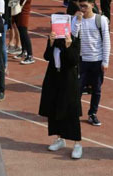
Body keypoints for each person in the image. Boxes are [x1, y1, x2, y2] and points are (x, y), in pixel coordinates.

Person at [39, 27, 82, 159]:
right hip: (53, 78)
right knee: (54, 109)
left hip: (68, 80)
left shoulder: (74, 40)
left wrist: (68, 46)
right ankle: (59, 139)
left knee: (71, 111)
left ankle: (77, 144)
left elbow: (74, 61)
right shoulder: (54, 39)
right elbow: (47, 56)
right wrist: (51, 43)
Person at [72, 0, 111, 128]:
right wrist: (77, 21)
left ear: (92, 5)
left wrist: (105, 61)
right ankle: (74, 113)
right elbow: (73, 36)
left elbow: (106, 41)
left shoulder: (101, 20)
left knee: (96, 89)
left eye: (85, 6)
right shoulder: (76, 19)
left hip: (97, 60)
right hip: (81, 60)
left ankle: (92, 113)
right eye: (80, 6)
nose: (82, 9)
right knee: (77, 88)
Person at [9, 0, 35, 64]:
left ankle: (30, 55)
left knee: (24, 31)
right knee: (20, 30)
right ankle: (23, 51)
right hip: (15, 6)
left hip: (23, 8)